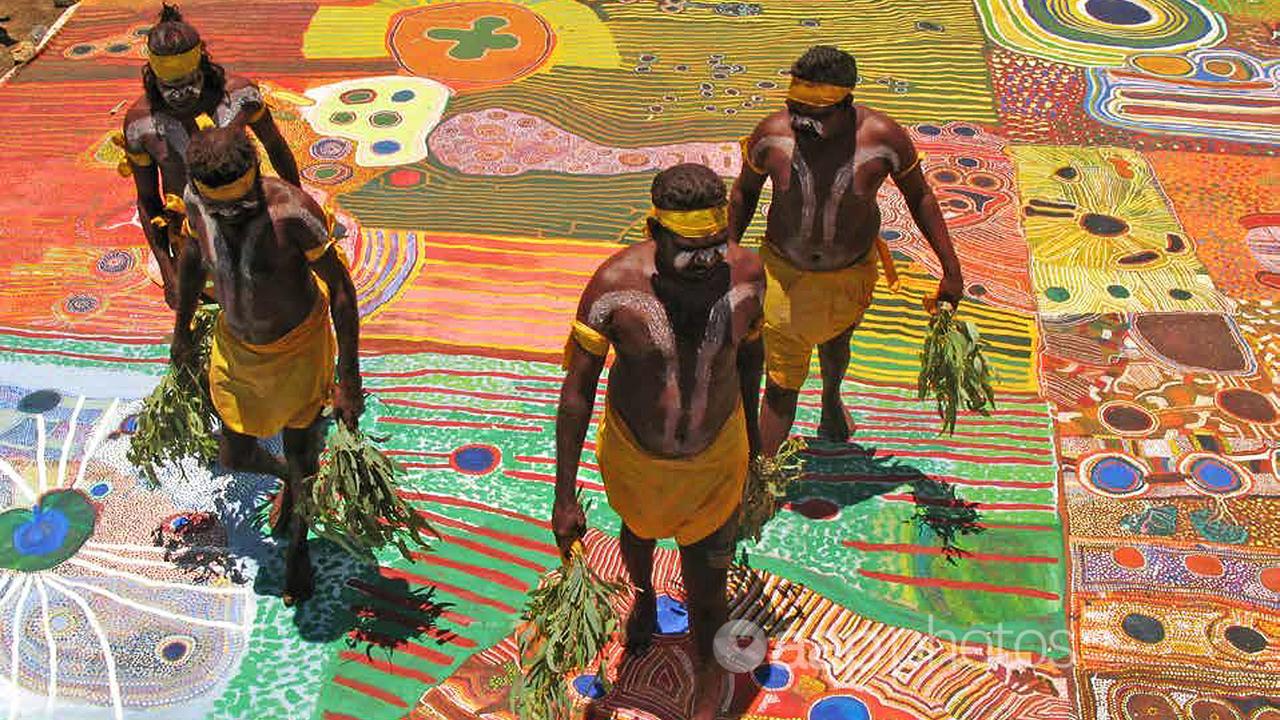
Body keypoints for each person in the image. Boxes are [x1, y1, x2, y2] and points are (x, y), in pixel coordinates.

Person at [554, 163, 765, 720]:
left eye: (715, 244)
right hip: (636, 457)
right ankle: (643, 598)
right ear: (655, 230)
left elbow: (751, 357)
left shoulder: (747, 276)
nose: (705, 262)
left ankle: (705, 690)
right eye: (689, 248)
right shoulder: (610, 289)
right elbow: (577, 391)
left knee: (708, 592)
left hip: (716, 458)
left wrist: (756, 451)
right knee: (639, 531)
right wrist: (564, 493)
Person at [730, 45, 964, 456]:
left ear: (845, 105)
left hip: (850, 272)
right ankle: (759, 474)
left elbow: (921, 198)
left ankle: (831, 400)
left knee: (837, 342)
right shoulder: (772, 135)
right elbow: (743, 195)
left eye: (814, 117)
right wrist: (726, 255)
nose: (800, 123)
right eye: (794, 110)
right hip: (784, 274)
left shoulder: (883, 139)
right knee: (782, 385)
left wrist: (951, 268)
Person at [169, 126, 360, 606]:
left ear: (256, 180)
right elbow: (192, 256)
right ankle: (288, 480)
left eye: (241, 206)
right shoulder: (195, 200)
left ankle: (299, 544)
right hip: (237, 347)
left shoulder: (292, 212)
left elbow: (340, 289)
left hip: (300, 347)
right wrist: (182, 329)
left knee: (303, 451)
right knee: (234, 454)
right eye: (221, 210)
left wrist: (349, 377)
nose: (231, 217)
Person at [121, 3, 299, 309]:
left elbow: (276, 147)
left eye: (191, 82)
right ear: (152, 78)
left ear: (203, 67)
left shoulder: (240, 98)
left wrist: (295, 209)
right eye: (170, 87)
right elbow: (147, 199)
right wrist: (169, 273)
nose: (183, 95)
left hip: (253, 219)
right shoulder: (141, 125)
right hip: (192, 237)